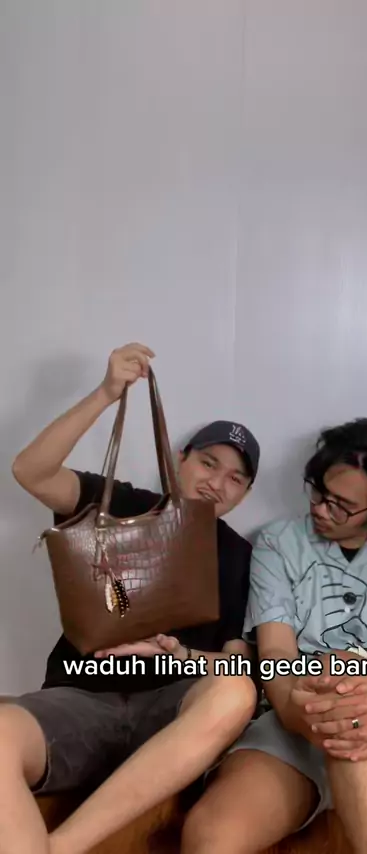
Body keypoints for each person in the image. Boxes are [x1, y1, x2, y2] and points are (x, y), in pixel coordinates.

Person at [2, 342, 259, 854]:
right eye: (208, 463)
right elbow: (32, 472)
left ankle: (64, 844)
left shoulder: (239, 554)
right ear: (180, 458)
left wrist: (179, 654)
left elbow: (237, 661)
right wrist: (106, 393)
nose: (217, 483)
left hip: (171, 717)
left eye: (235, 478)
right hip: (80, 699)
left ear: (245, 494)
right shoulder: (119, 504)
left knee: (235, 691)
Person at [181, 417, 367, 854]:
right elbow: (275, 651)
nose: (321, 510)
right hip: (295, 704)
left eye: (341, 506)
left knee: (350, 698)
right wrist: (295, 707)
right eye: (319, 492)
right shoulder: (278, 543)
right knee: (211, 836)